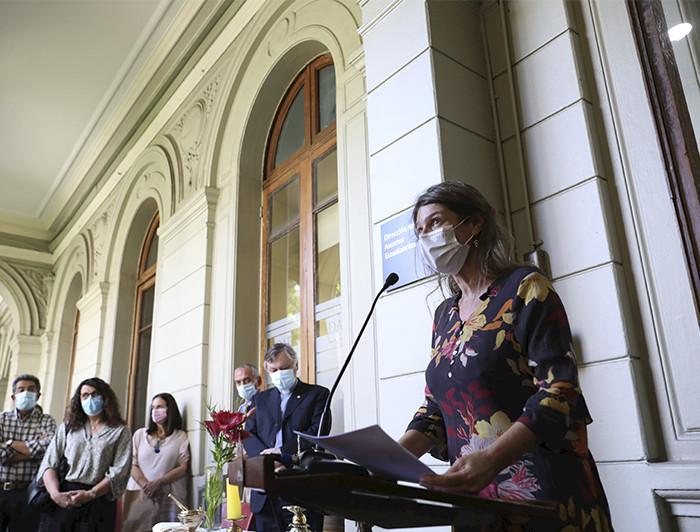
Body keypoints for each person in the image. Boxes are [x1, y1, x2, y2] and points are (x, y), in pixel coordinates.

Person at [398, 181, 613, 531]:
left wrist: (492, 459)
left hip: (542, 491)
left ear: (474, 223)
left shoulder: (525, 287)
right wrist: (384, 462)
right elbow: (435, 410)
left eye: (436, 222)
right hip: (475, 499)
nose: (427, 237)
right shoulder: (444, 315)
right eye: (420, 230)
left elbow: (560, 390)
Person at [243, 343, 329, 532]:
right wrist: (267, 459)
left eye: (284, 368)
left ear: (296, 365)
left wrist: (281, 454)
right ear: (267, 370)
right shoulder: (260, 399)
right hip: (265, 492)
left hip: (303, 489)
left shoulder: (317, 394)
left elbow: (317, 433)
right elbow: (247, 434)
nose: (279, 373)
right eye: (274, 370)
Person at [36, 377, 132, 532]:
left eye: (95, 394)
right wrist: (55, 495)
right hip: (64, 496)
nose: (90, 399)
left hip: (98, 501)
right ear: (79, 400)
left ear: (105, 397)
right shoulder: (68, 427)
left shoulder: (120, 430)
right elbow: (49, 463)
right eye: (85, 395)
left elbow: (119, 471)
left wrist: (90, 494)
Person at [121, 393, 190, 532]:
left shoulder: (180, 436)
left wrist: (160, 482)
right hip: (140, 494)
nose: (155, 411)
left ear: (169, 410)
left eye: (159, 407)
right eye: (153, 407)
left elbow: (183, 467)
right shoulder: (140, 435)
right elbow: (131, 464)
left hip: (168, 495)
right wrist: (147, 486)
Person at [0, 374, 56, 532]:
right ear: (13, 396)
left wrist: (9, 443)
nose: (25, 393)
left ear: (38, 395)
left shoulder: (46, 421)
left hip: (29, 493)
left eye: (30, 389)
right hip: (1, 489)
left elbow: (48, 448)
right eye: (21, 389)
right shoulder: (1, 419)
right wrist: (33, 449)